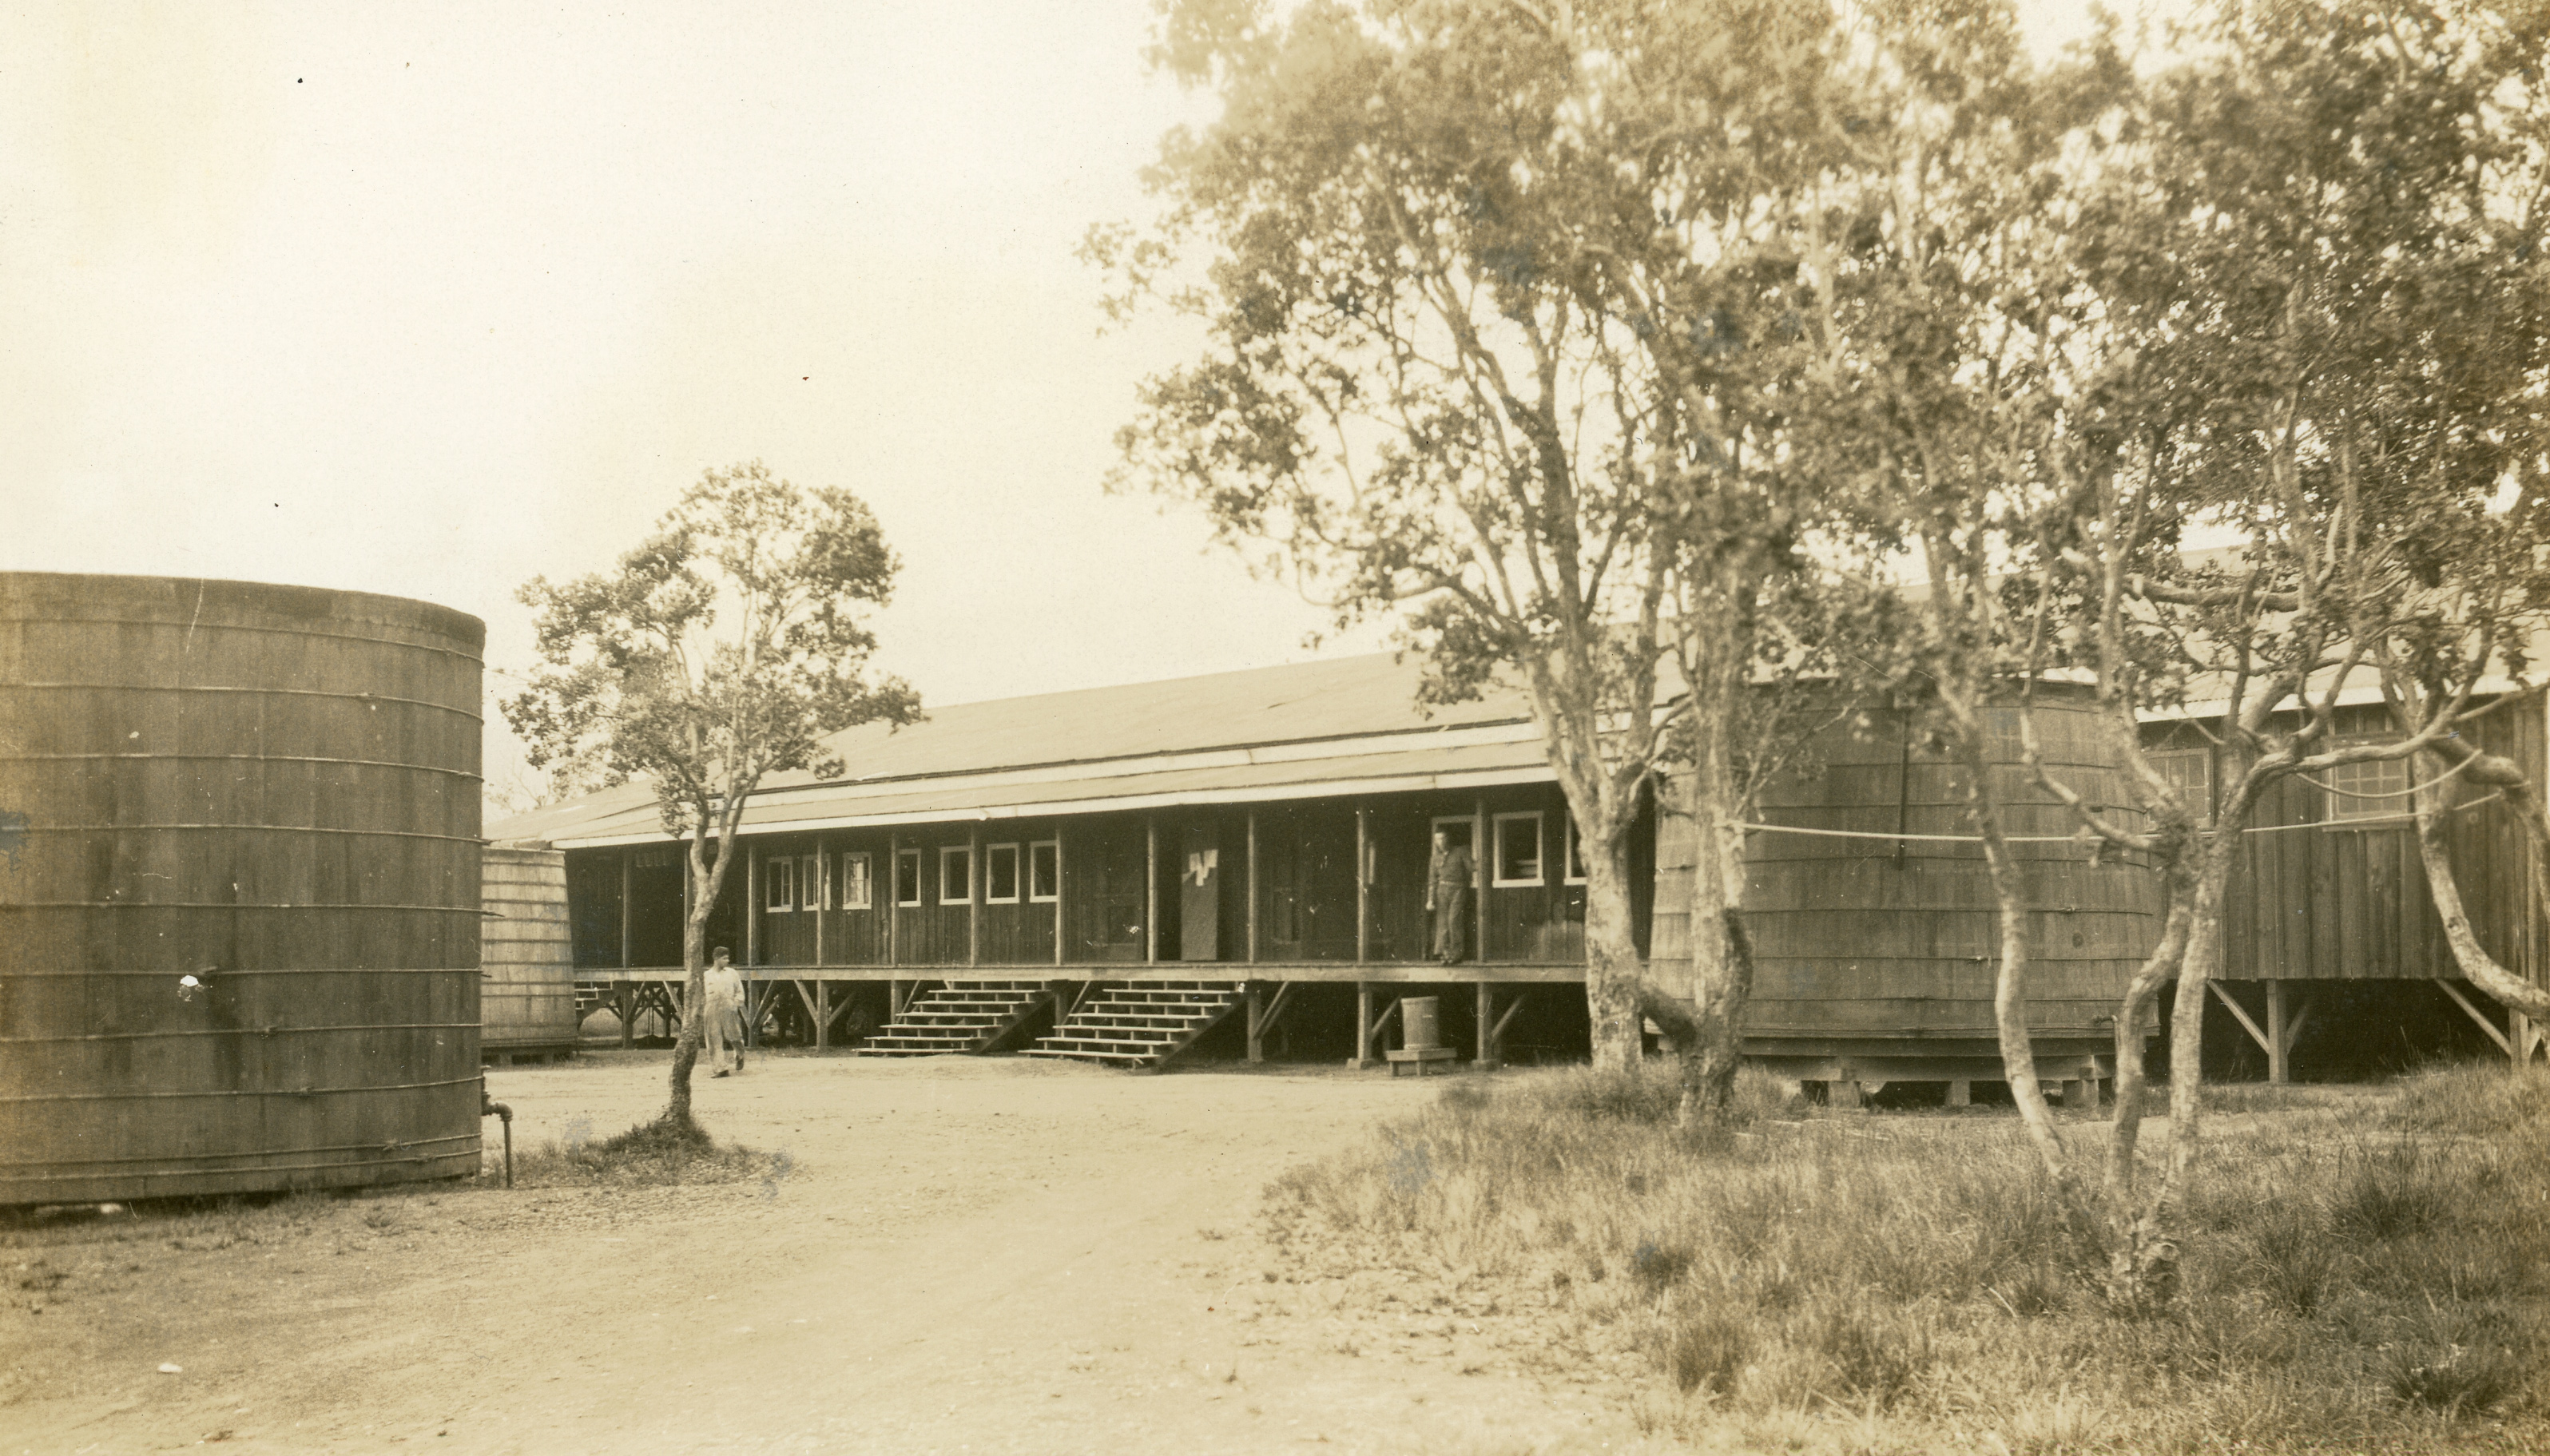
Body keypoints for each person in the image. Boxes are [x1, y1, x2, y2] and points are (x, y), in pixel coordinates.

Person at [1425, 828, 1475, 964]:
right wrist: (1430, 899)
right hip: (1442, 891)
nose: (1440, 842)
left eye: (1443, 838)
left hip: (1458, 889)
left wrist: (1467, 882)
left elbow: (1471, 868)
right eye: (1437, 839)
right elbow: (1432, 880)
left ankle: (1456, 954)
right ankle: (1445, 954)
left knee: (1454, 920)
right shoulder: (1435, 858)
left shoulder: (1460, 851)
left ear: (1448, 839)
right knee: (1443, 924)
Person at [703, 946, 747, 1077]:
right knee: (713, 1038)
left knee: (734, 1036)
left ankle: (740, 1054)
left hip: (729, 1007)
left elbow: (739, 991)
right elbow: (700, 994)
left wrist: (736, 1004)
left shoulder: (732, 973)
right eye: (724, 958)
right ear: (716, 959)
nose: (727, 961)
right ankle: (721, 1068)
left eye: (728, 958)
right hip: (711, 1008)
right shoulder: (706, 976)